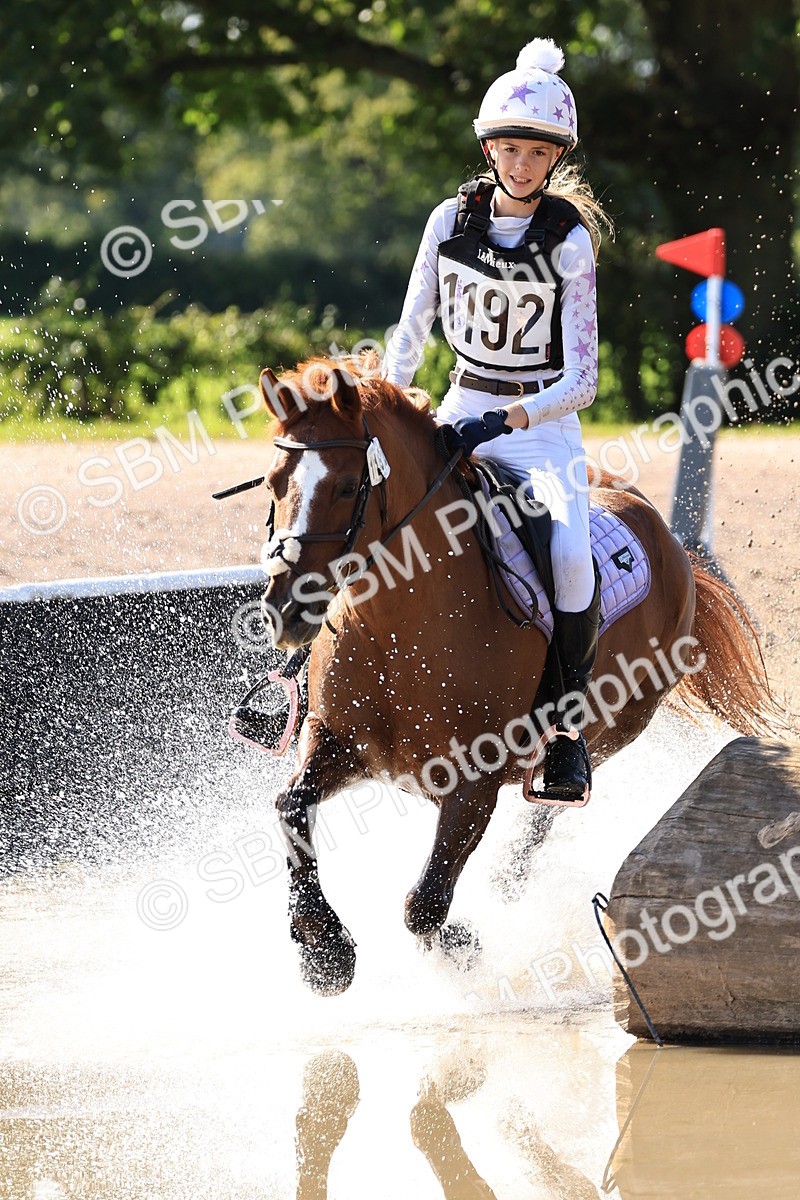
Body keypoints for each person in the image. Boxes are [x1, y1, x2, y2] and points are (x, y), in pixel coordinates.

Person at [382, 38, 612, 802]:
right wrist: (389, 405)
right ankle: (296, 680)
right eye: (509, 150)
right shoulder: (448, 220)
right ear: (490, 149)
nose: (520, 165)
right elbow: (412, 331)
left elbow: (584, 380)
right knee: (367, 506)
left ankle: (565, 733)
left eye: (535, 153)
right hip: (458, 404)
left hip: (540, 425)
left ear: (554, 159)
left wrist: (511, 418)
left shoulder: (570, 241)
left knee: (573, 558)